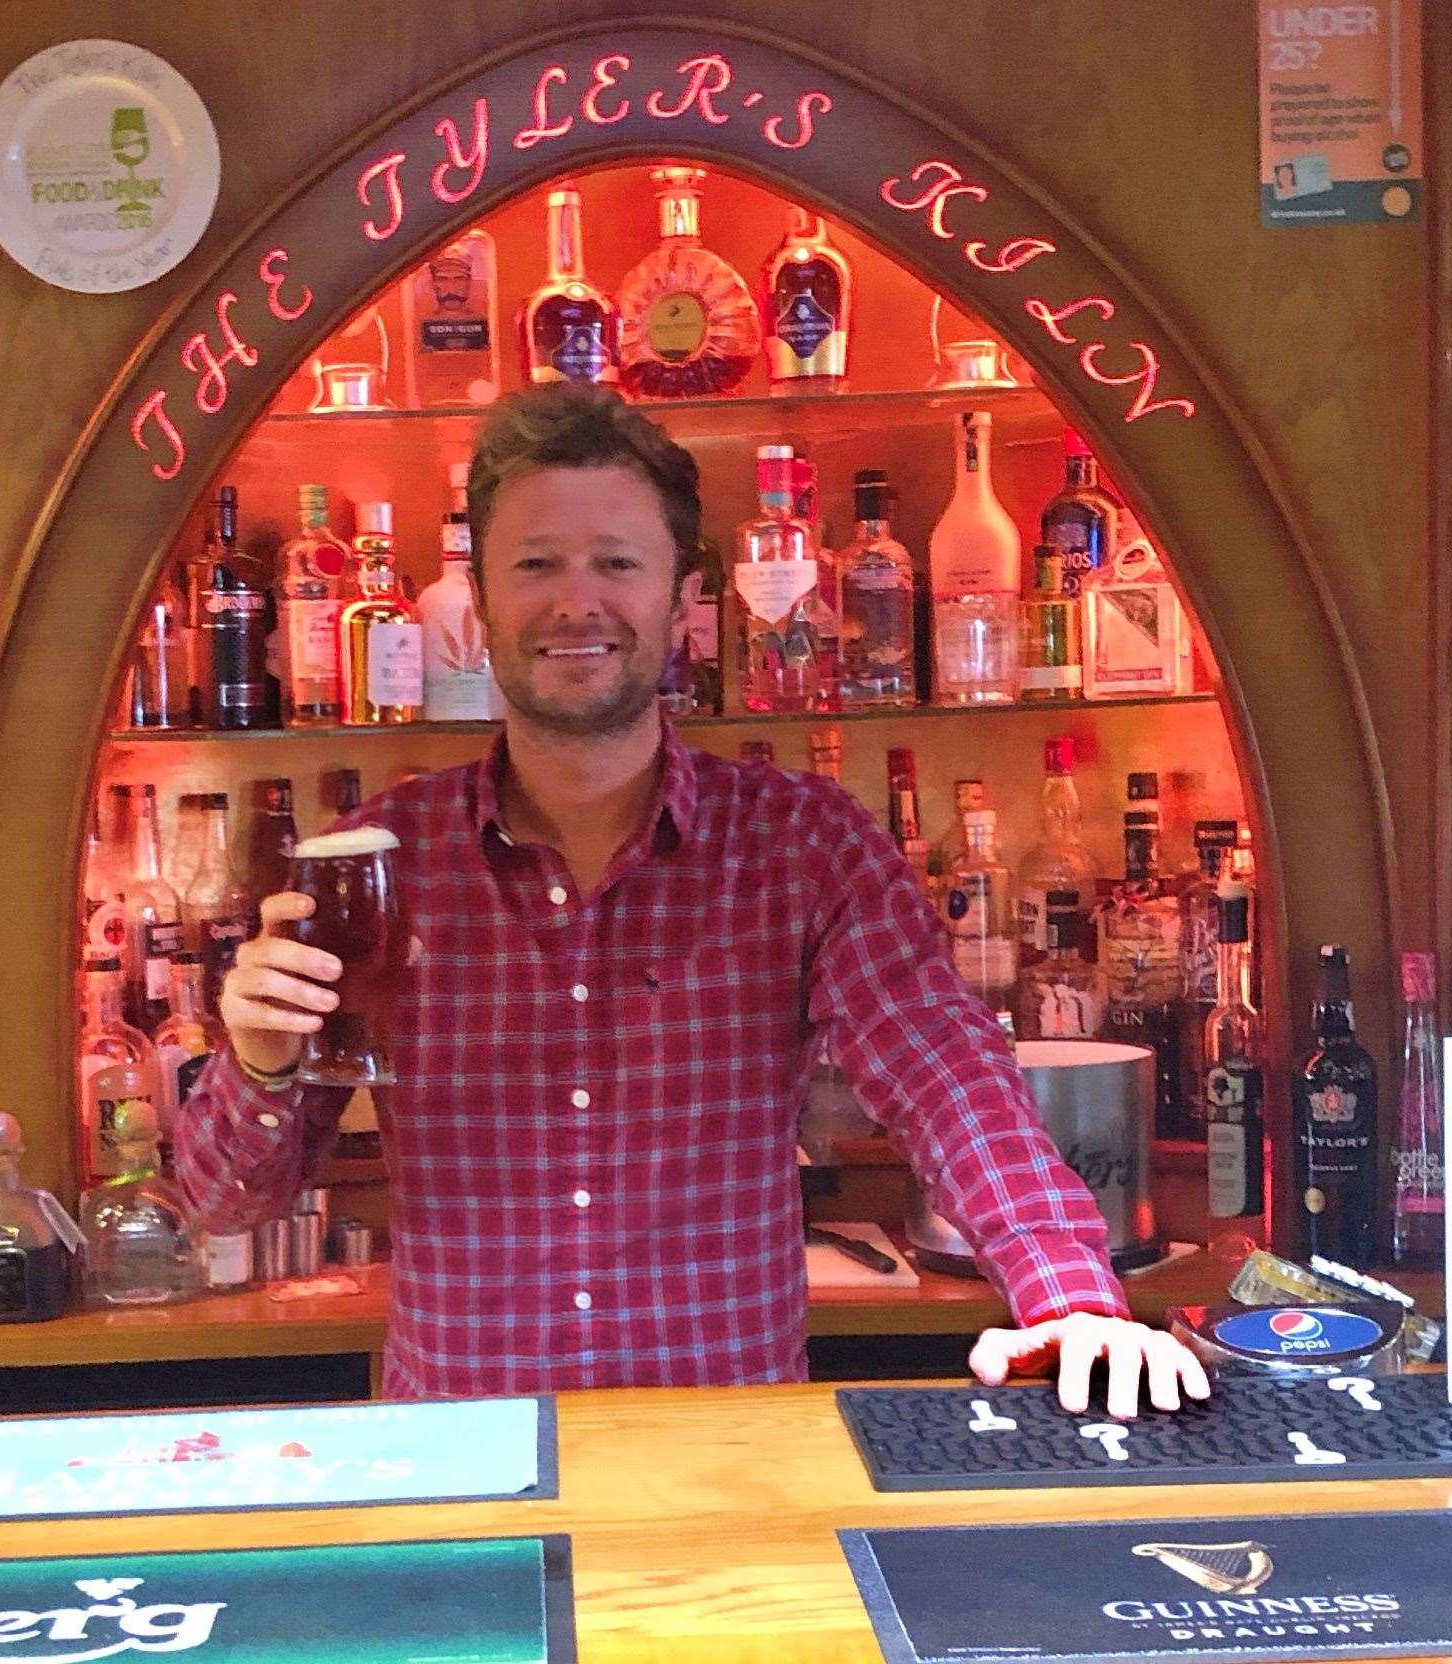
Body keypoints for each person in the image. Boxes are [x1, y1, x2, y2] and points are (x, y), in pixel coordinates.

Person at [177, 383, 1210, 1417]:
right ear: (479, 602)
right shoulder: (379, 862)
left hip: (728, 1462)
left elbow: (944, 1071)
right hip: (469, 1463)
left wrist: (1068, 1298)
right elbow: (228, 1199)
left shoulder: (801, 842)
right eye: (535, 563)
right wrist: (259, 1058)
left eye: (616, 563)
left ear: (679, 603)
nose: (575, 602)